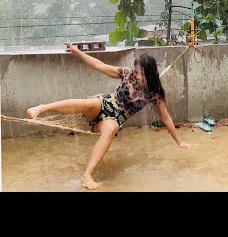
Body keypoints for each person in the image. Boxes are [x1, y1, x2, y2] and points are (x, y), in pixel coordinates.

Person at [27, 42, 199, 190]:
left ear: (150, 75)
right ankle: (42, 108)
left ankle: (87, 175)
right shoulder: (127, 74)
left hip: (114, 119)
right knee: (90, 103)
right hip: (103, 104)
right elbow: (99, 65)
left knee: (112, 128)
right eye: (136, 71)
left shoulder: (154, 95)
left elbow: (166, 118)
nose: (136, 75)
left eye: (140, 73)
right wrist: (78, 53)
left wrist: (180, 142)